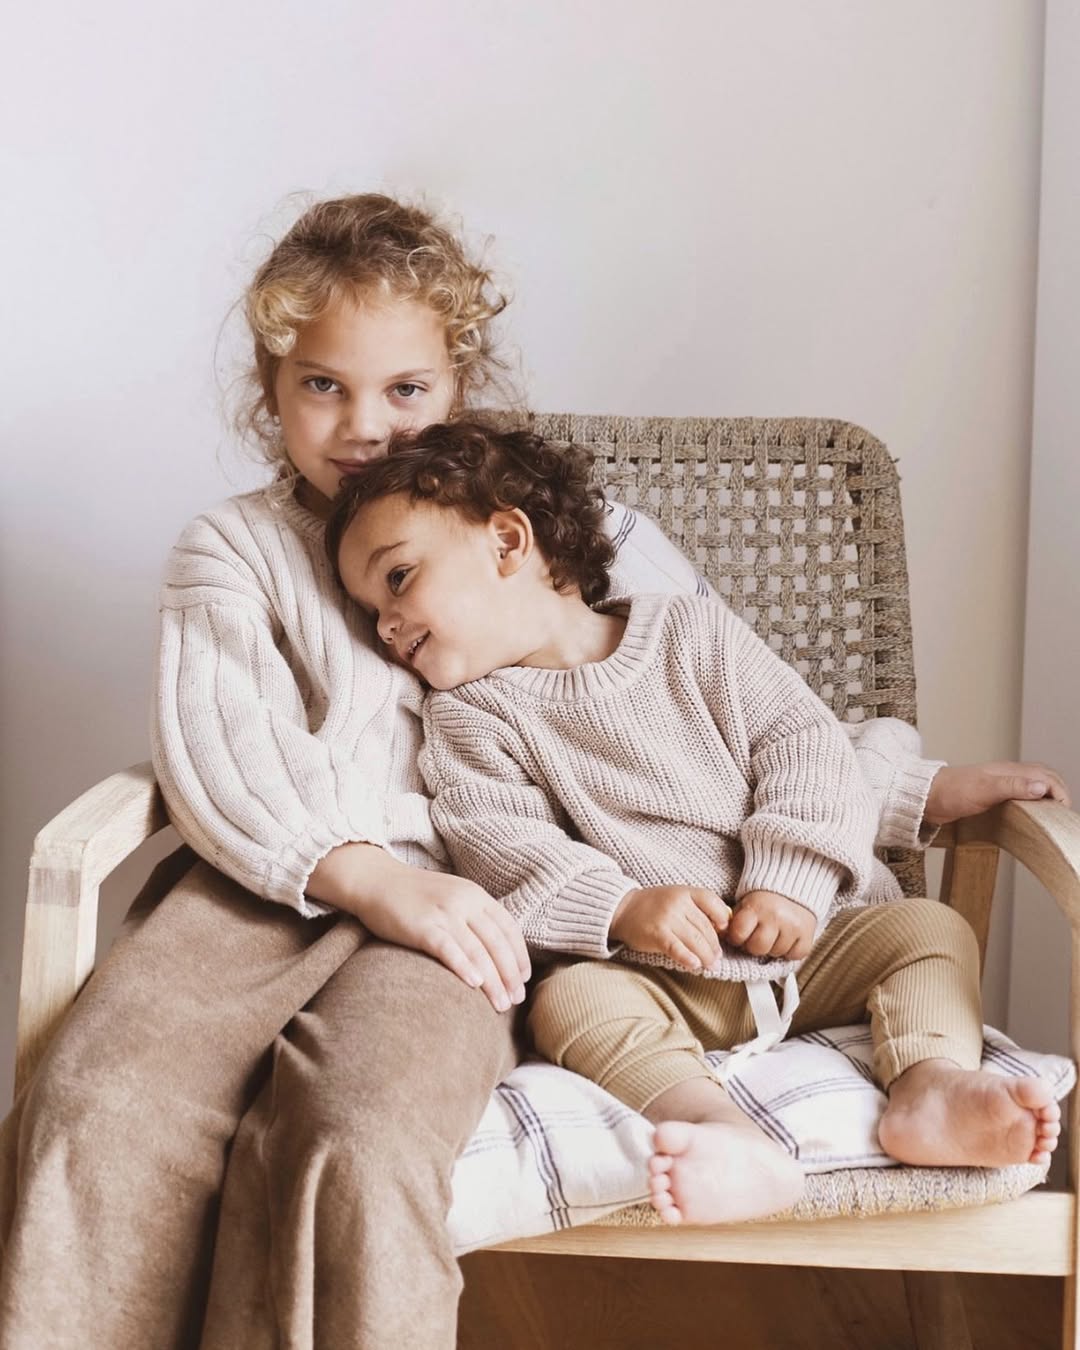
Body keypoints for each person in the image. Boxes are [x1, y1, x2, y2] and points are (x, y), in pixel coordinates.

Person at [0, 193, 1061, 1348]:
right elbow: (223, 757)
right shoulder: (239, 552)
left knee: (361, 1130)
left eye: (406, 389)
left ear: (458, 386)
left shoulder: (589, 543)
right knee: (102, 1099)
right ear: (271, 389)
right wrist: (381, 878)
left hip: (482, 925)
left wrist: (908, 790)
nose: (367, 426)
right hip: (281, 886)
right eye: (322, 386)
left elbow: (744, 724)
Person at [327, 418, 1067, 1229]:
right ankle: (723, 1134)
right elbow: (504, 848)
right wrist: (621, 909)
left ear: (508, 541)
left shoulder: (693, 634)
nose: (387, 627)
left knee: (928, 928)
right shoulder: (471, 717)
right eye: (370, 613)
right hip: (656, 979)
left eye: (397, 579)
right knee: (572, 1004)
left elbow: (804, 746)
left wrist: (789, 882)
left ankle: (929, 1088)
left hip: (807, 946)